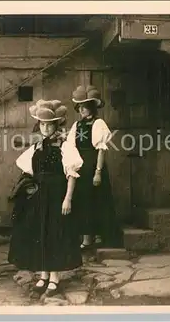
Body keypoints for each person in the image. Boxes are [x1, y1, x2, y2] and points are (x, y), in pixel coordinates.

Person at [8, 99, 83, 298]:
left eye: (49, 124)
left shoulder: (65, 146)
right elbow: (28, 171)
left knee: (55, 234)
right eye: (42, 124)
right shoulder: (37, 147)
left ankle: (54, 278)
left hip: (57, 195)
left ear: (56, 125)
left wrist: (67, 198)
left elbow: (71, 175)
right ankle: (43, 274)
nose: (45, 128)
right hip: (39, 196)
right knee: (40, 233)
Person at [67, 85, 123, 250]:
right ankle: (86, 239)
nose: (81, 110)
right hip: (80, 168)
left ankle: (102, 237)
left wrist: (98, 172)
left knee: (97, 201)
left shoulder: (99, 123)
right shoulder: (76, 126)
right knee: (83, 202)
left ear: (92, 107)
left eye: (85, 106)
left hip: (93, 167)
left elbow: (101, 150)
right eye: (80, 107)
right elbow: (71, 146)